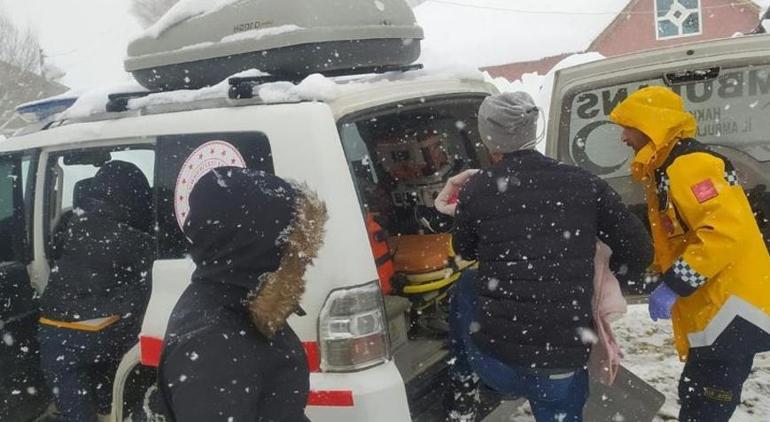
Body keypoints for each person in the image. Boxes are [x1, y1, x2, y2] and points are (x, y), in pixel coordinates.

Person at [444, 92, 652, 421]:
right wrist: (596, 284)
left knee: (466, 284)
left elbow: (464, 250)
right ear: (533, 130)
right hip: (562, 364)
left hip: (499, 364)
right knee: (558, 405)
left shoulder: (477, 188)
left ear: (488, 137)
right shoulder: (585, 184)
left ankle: (465, 386)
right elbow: (639, 251)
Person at [609, 86, 770, 421]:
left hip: (731, 311)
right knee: (698, 393)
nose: (623, 137)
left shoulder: (689, 166)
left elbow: (725, 234)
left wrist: (675, 284)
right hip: (718, 306)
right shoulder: (668, 168)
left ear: (651, 125)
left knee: (707, 402)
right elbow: (680, 235)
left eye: (628, 127)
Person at [158, 167, 327, 422]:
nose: (303, 259)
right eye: (294, 247)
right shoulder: (212, 341)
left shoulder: (247, 308)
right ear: (260, 245)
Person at [38, 160, 154, 421]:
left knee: (71, 391)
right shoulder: (141, 239)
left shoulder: (72, 225)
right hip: (108, 332)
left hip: (55, 331)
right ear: (136, 195)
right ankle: (107, 403)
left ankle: (88, 409)